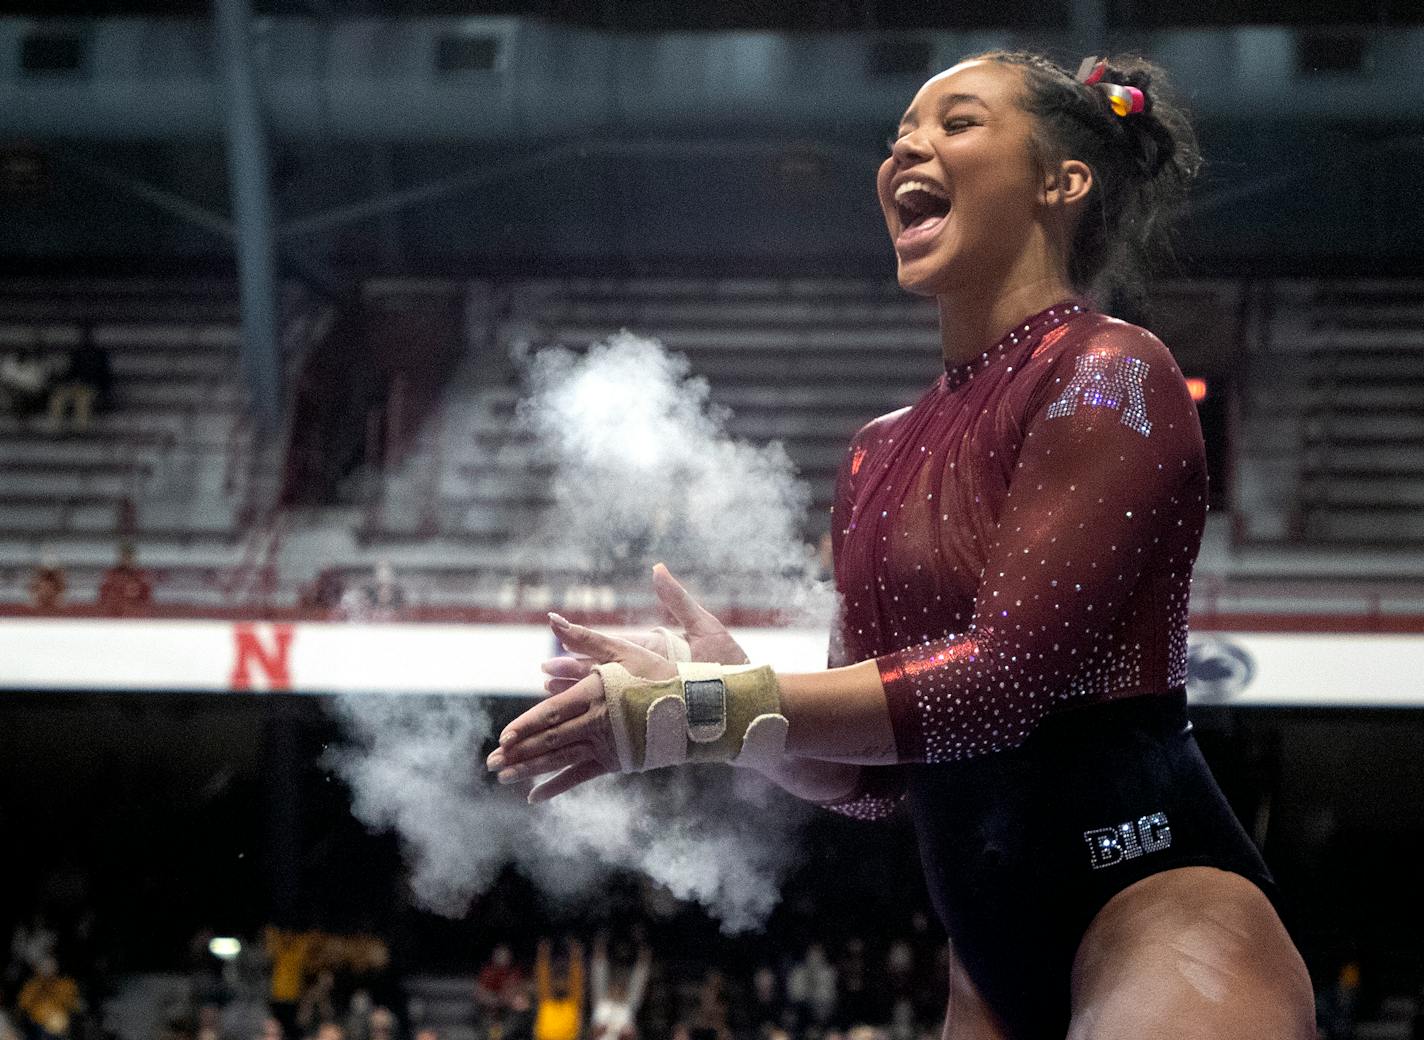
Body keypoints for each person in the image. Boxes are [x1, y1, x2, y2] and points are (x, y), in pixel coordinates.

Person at [489, 51, 1314, 1040]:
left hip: (1155, 911)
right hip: (985, 965)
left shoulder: (1111, 372)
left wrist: (702, 711)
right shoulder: (875, 451)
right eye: (897, 135)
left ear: (1061, 181)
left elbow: (1004, 684)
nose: (906, 147)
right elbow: (875, 780)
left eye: (956, 122)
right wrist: (742, 709)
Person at [588, 934, 651, 1040]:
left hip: (605, 1009)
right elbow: (631, 1034)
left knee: (599, 988)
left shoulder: (600, 1002)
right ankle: (643, 948)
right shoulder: (629, 1004)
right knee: (634, 996)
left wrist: (607, 1029)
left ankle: (601, 942)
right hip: (623, 1007)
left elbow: (593, 1033)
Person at [530, 939, 582, 1040]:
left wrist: (576, 956)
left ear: (567, 985)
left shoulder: (573, 1002)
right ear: (552, 985)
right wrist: (542, 955)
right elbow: (542, 977)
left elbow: (577, 980)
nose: (560, 984)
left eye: (563, 982)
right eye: (557, 982)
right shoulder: (546, 1000)